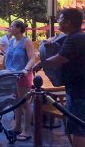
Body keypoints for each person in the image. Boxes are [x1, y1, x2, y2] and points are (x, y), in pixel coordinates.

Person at [33, 8, 85, 147]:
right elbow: (59, 48)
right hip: (77, 89)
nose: (58, 21)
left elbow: (58, 59)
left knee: (79, 130)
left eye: (60, 19)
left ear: (68, 22)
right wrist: (51, 45)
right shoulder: (76, 37)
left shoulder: (74, 38)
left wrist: (41, 62)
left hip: (78, 92)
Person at [5, 21, 35, 141]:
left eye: (12, 26)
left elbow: (32, 58)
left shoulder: (26, 41)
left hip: (23, 76)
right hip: (13, 76)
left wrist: (26, 70)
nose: (10, 28)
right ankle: (17, 127)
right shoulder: (12, 41)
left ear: (18, 28)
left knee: (25, 104)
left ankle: (26, 131)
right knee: (16, 102)